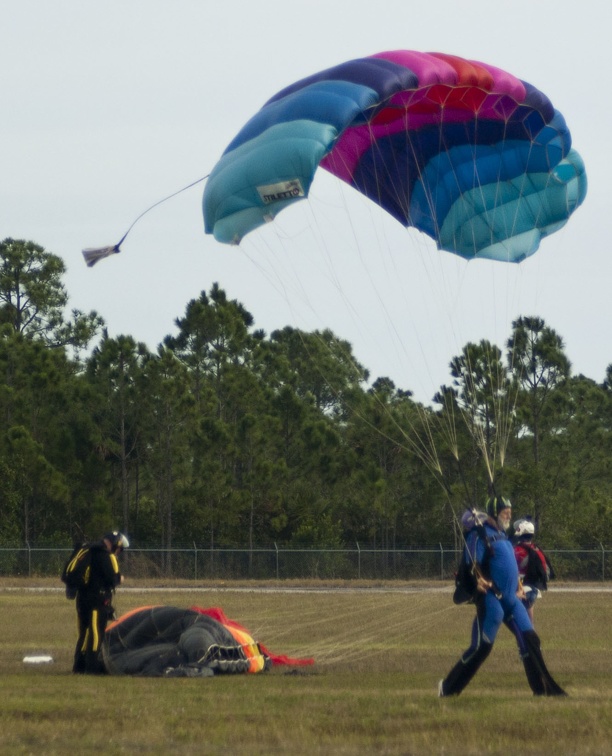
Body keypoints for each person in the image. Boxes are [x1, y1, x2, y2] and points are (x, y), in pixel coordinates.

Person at [439, 496, 566, 697]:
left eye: (509, 511)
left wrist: (518, 585)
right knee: (483, 646)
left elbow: (511, 566)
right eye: (504, 511)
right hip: (492, 598)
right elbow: (472, 561)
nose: (509, 514)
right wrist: (478, 580)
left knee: (530, 639)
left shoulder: (503, 536)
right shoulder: (479, 535)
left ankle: (543, 690)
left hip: (512, 599)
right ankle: (448, 688)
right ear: (493, 514)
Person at [73, 531, 129, 674]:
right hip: (97, 601)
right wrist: (120, 579)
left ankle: (79, 665)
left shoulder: (90, 552)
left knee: (84, 634)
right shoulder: (106, 556)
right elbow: (112, 579)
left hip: (82, 600)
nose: (118, 552)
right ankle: (92, 667)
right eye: (119, 549)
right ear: (114, 544)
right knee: (96, 633)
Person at [513, 517, 555, 622]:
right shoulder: (535, 548)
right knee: (529, 618)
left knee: (522, 621)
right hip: (534, 586)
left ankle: (528, 634)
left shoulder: (518, 550)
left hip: (523, 587)